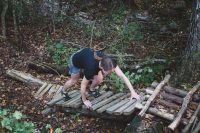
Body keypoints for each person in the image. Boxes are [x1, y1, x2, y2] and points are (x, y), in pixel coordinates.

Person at [61, 48, 140, 109]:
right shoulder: (90, 68)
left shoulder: (109, 62)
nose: (111, 73)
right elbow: (83, 84)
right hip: (76, 60)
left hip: (87, 56)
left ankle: (91, 90)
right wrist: (84, 100)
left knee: (99, 79)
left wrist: (133, 92)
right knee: (74, 81)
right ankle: (63, 91)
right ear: (102, 68)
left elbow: (123, 76)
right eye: (109, 72)